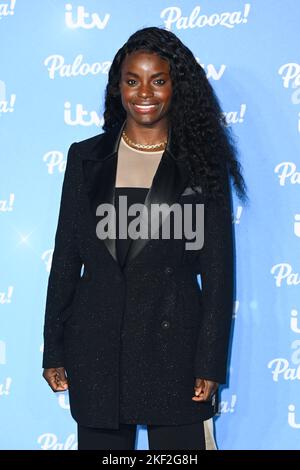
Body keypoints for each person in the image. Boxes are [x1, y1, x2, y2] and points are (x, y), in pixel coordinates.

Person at [42, 26, 248, 450]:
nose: (144, 92)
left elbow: (217, 272)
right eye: (132, 80)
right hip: (97, 346)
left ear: (177, 87)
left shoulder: (201, 164)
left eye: (158, 80)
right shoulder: (86, 157)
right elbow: (66, 258)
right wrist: (54, 349)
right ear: (118, 87)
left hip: (173, 347)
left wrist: (209, 361)